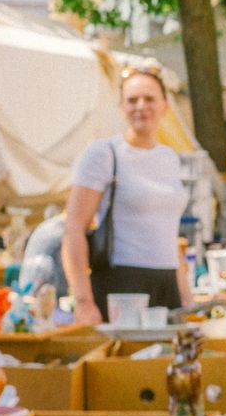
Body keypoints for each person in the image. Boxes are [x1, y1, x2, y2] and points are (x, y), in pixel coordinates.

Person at [62, 65, 191, 325]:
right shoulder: (104, 153)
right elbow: (74, 228)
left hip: (167, 283)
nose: (141, 106)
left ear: (164, 106)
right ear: (122, 107)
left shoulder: (169, 158)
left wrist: (186, 297)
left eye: (149, 99)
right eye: (132, 100)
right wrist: (84, 301)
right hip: (121, 283)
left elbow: (169, 234)